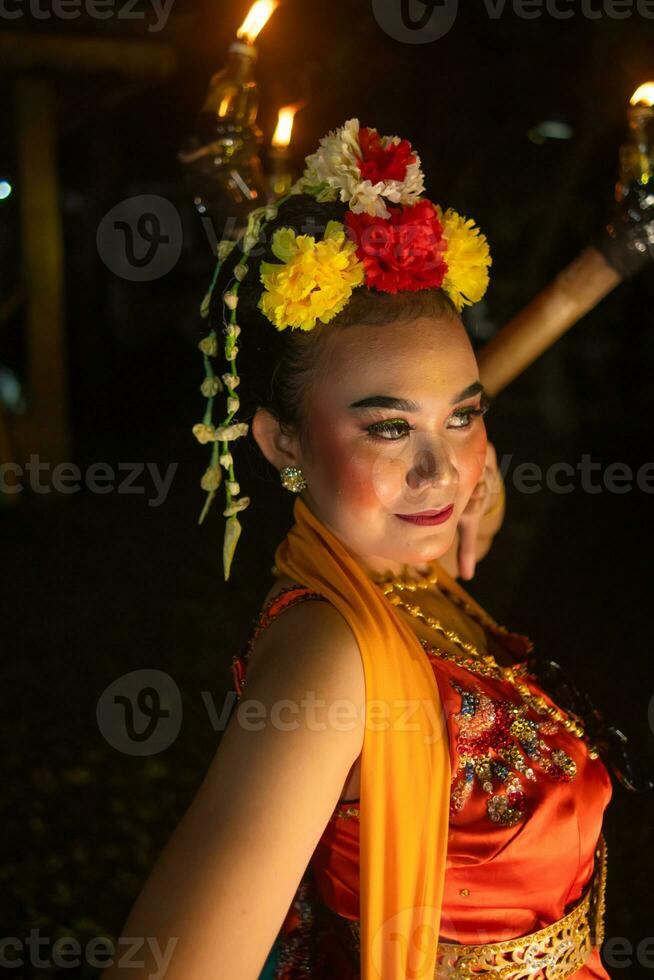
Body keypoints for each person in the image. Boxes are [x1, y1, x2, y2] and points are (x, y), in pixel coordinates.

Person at [102, 119, 610, 980]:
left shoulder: (413, 570)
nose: (439, 470)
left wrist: (613, 258)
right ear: (282, 445)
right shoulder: (330, 658)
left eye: (466, 415)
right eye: (387, 427)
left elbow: (449, 468)